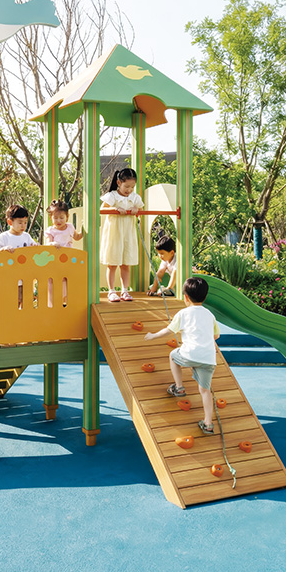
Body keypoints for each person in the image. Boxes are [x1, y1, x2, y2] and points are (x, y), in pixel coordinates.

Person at [144, 277, 220, 434]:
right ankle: (208, 424)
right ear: (205, 297)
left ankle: (179, 387)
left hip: (189, 355)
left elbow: (168, 330)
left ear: (186, 297)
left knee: (173, 355)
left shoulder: (183, 313)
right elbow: (216, 336)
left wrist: (153, 336)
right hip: (208, 358)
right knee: (205, 390)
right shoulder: (210, 315)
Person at [100, 167, 143, 302]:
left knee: (126, 263)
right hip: (114, 232)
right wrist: (115, 209)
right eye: (127, 186)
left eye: (132, 187)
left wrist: (136, 210)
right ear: (119, 183)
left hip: (128, 233)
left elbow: (141, 209)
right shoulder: (112, 195)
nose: (129, 190)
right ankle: (111, 291)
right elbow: (102, 209)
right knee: (112, 263)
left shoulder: (135, 197)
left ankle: (125, 290)